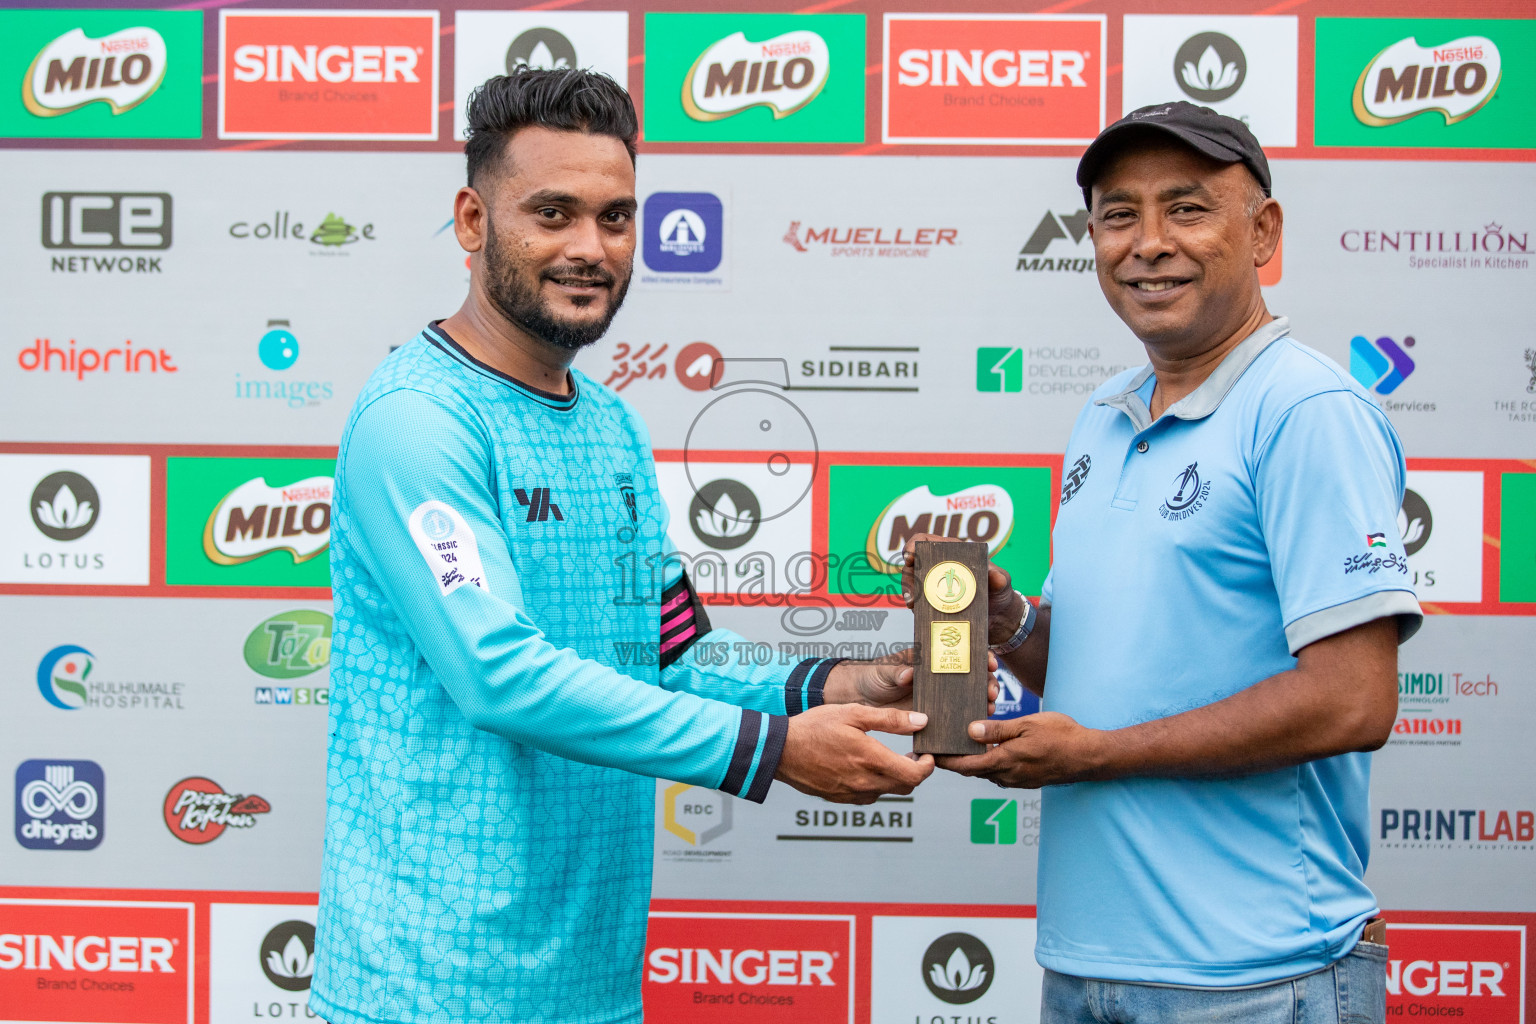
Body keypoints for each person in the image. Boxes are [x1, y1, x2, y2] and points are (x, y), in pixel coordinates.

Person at [311, 69, 956, 1024]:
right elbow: (499, 676)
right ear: (473, 221)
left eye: (615, 218)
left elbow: (670, 655)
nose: (589, 248)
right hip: (429, 991)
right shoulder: (418, 421)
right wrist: (771, 750)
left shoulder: (610, 427)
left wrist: (830, 690)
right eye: (553, 213)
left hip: (592, 986)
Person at [912, 102, 1420, 1023]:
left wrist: (1099, 756)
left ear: (1262, 232)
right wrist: (1012, 625)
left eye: (1186, 209)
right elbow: (1100, 663)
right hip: (1087, 963)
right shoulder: (1103, 416)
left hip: (1261, 975)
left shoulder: (1306, 409)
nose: (1147, 243)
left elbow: (1355, 698)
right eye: (1118, 214)